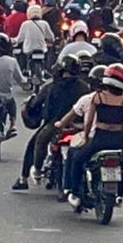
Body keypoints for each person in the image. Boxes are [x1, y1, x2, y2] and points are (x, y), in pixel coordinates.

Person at [55, 63, 123, 207]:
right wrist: (119, 136)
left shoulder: (97, 98)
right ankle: (119, 196)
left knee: (77, 159)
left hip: (99, 139)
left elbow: (89, 121)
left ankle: (75, 193)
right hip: (117, 141)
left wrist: (85, 137)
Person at [14, 53, 91, 192]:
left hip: (55, 124)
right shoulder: (84, 88)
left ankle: (27, 176)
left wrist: (28, 106)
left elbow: (35, 104)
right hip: (80, 126)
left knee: (36, 143)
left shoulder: (51, 87)